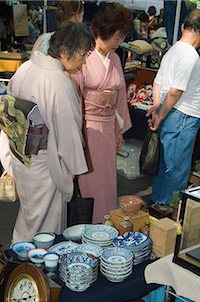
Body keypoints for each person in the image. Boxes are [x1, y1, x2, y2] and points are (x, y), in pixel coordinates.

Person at [0, 22, 95, 243]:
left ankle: (19, 259)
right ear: (64, 51)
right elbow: (68, 131)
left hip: (22, 154)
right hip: (44, 162)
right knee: (44, 225)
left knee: (30, 215)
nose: (84, 61)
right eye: (82, 54)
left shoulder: (26, 68)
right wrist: (74, 166)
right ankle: (33, 269)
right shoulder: (57, 81)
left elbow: (7, 113)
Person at [71, 2, 133, 224]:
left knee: (108, 180)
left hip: (107, 129)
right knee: (90, 181)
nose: (119, 42)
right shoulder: (83, 55)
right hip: (87, 128)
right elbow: (75, 95)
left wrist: (119, 130)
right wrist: (76, 133)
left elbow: (121, 97)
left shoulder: (115, 58)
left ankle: (106, 224)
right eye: (116, 37)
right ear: (103, 31)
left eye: (121, 37)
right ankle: (88, 223)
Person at [147, 9, 200, 207]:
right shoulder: (189, 55)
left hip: (173, 113)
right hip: (182, 116)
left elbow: (159, 82)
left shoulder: (173, 50)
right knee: (176, 169)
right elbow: (175, 91)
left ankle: (157, 208)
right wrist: (159, 114)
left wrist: (158, 107)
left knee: (165, 165)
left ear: (183, 26)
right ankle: (168, 212)